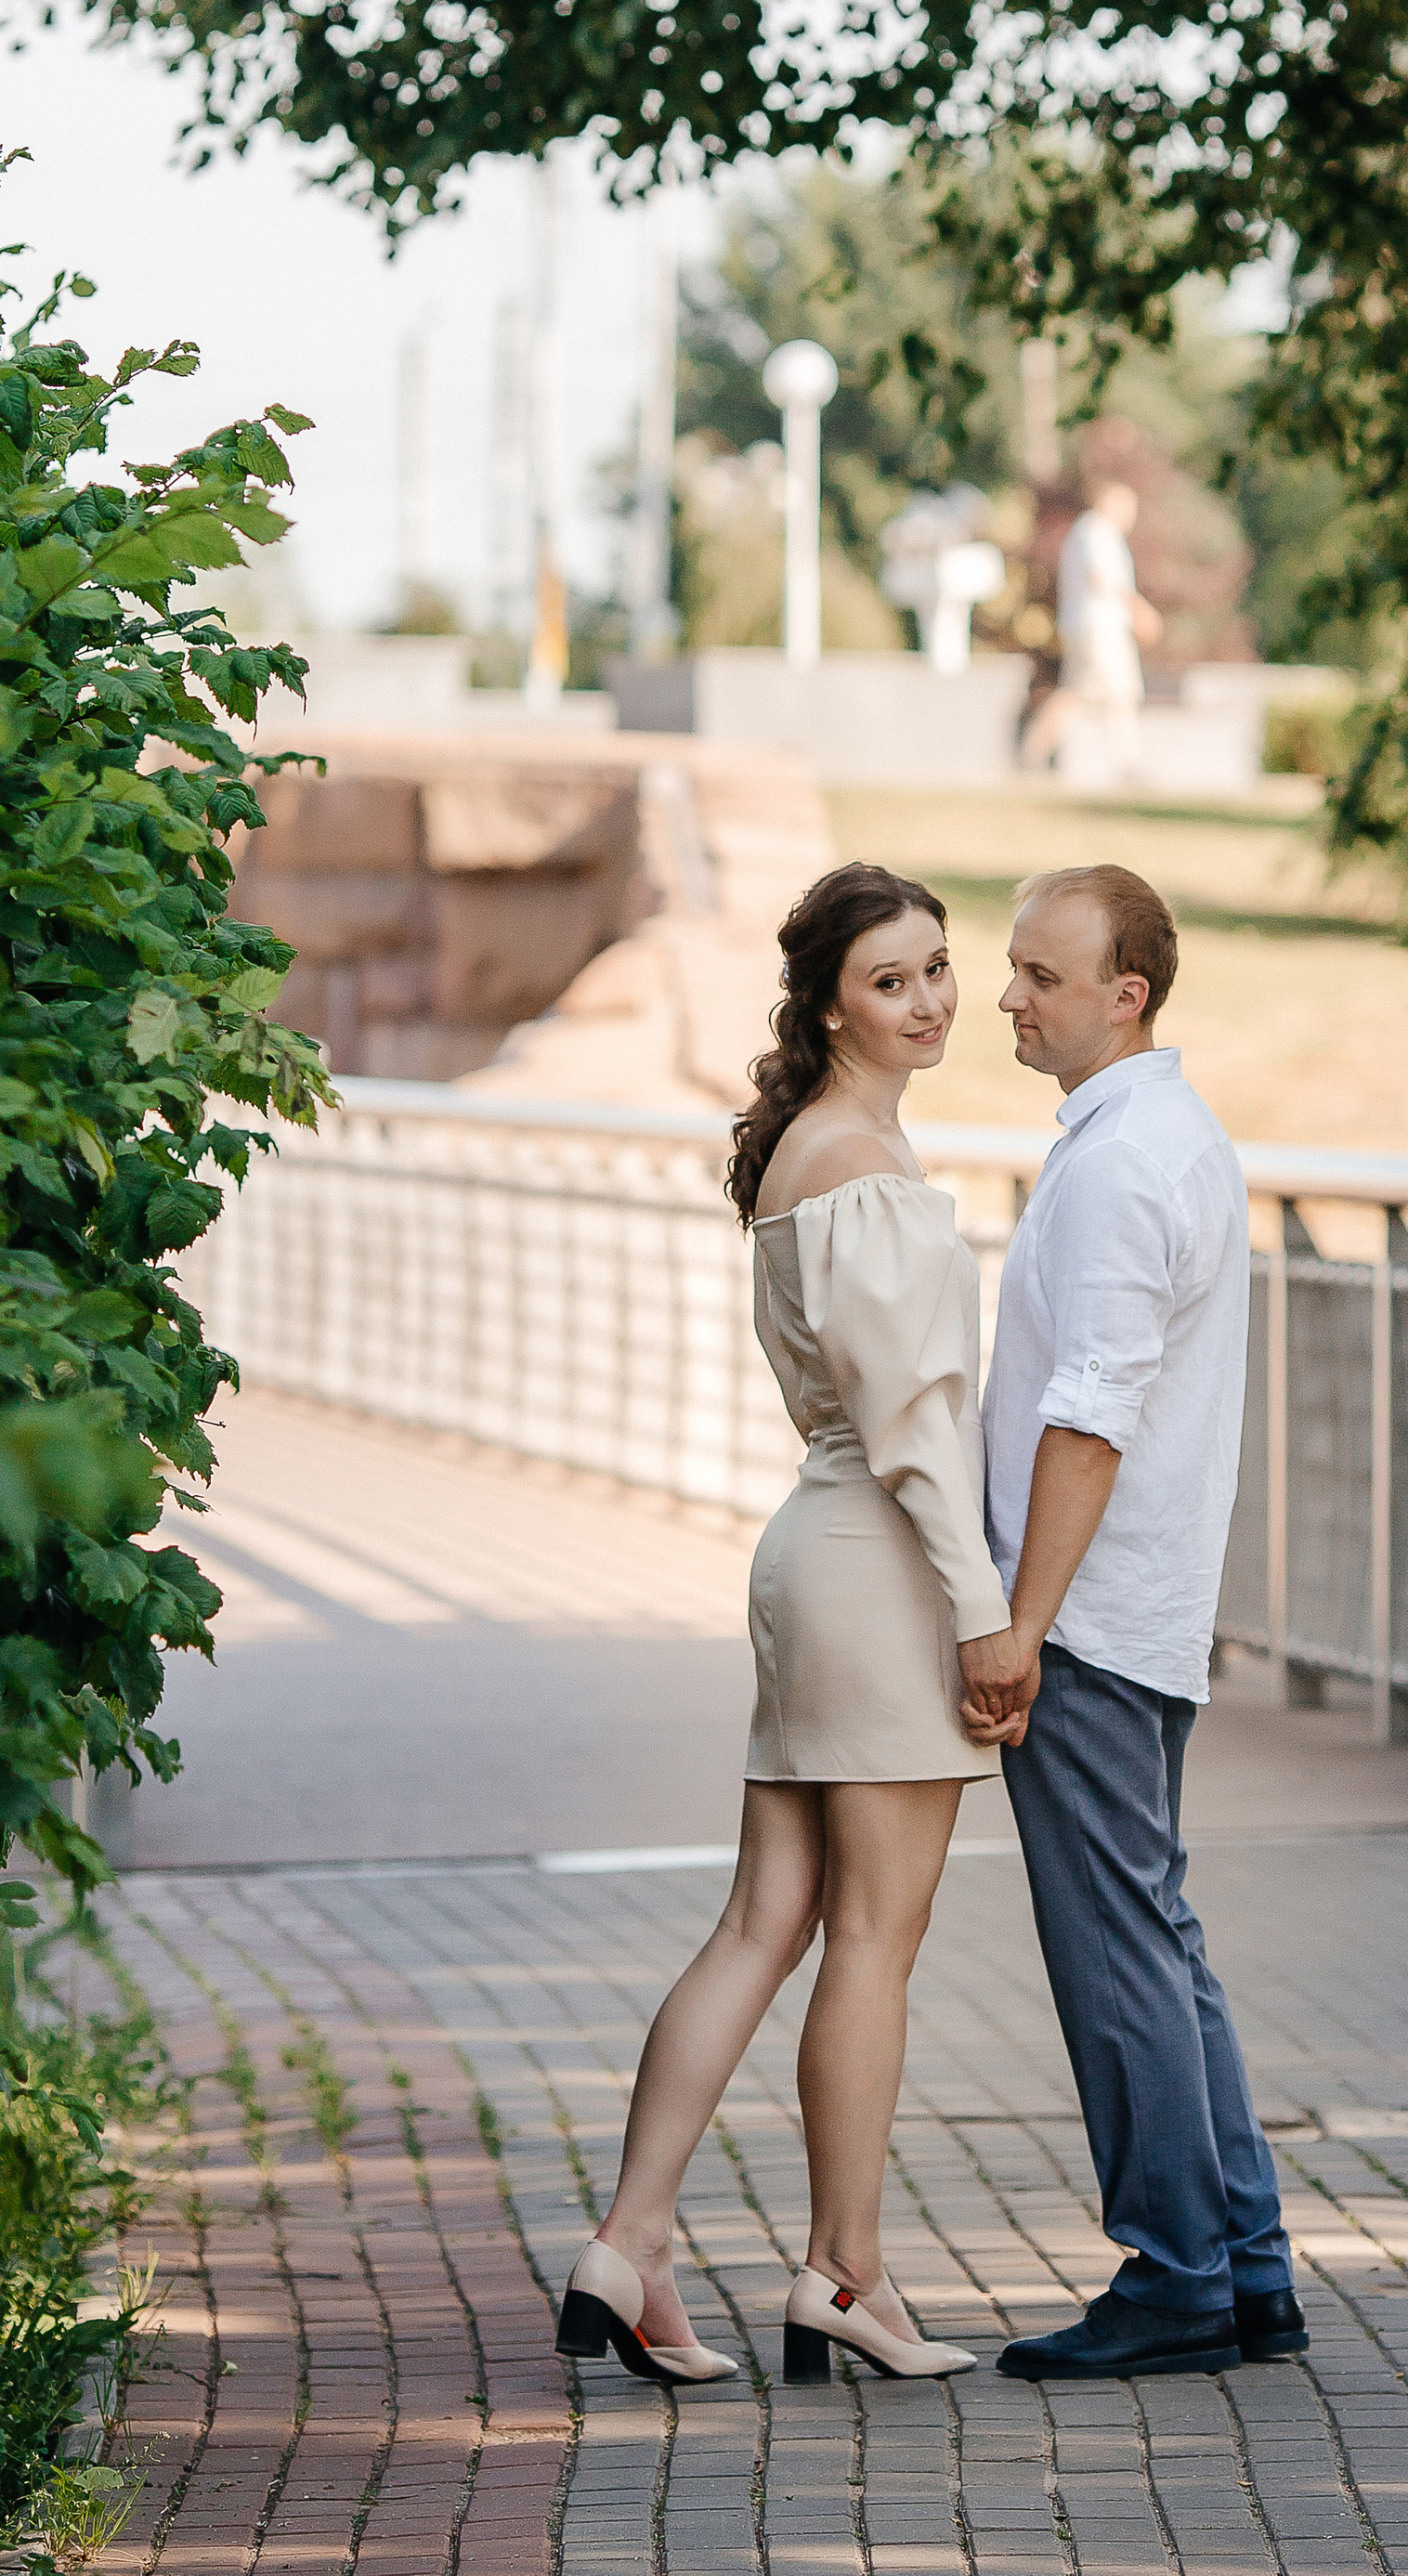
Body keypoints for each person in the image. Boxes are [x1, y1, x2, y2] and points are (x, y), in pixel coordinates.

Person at [556, 863, 1028, 2392]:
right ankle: (847, 2275)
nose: (936, 998)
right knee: (873, 1943)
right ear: (831, 1001)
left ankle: (628, 2244)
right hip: (881, 1566)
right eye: (896, 979)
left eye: (944, 968)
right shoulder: (863, 1170)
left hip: (812, 1556)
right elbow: (913, 1430)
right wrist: (986, 1618)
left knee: (766, 1921)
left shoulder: (813, 1151)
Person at [960, 862, 1306, 2380]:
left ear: (1127, 995)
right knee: (1162, 1932)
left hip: (1093, 1617)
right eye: (1013, 969)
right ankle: (1246, 2262)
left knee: (1114, 1947)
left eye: (1040, 976)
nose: (1008, 999)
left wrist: (1019, 1625)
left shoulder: (1115, 1165)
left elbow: (1087, 1416)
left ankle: (1176, 2275)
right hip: (1144, 1605)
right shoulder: (1173, 1136)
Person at [1025, 479, 1163, 780]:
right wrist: (1140, 611)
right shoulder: (1096, 532)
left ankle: (1124, 762)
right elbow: (1102, 577)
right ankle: (1036, 753)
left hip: (1093, 627)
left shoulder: (1091, 532)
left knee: (1102, 694)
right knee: (1098, 694)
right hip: (1099, 629)